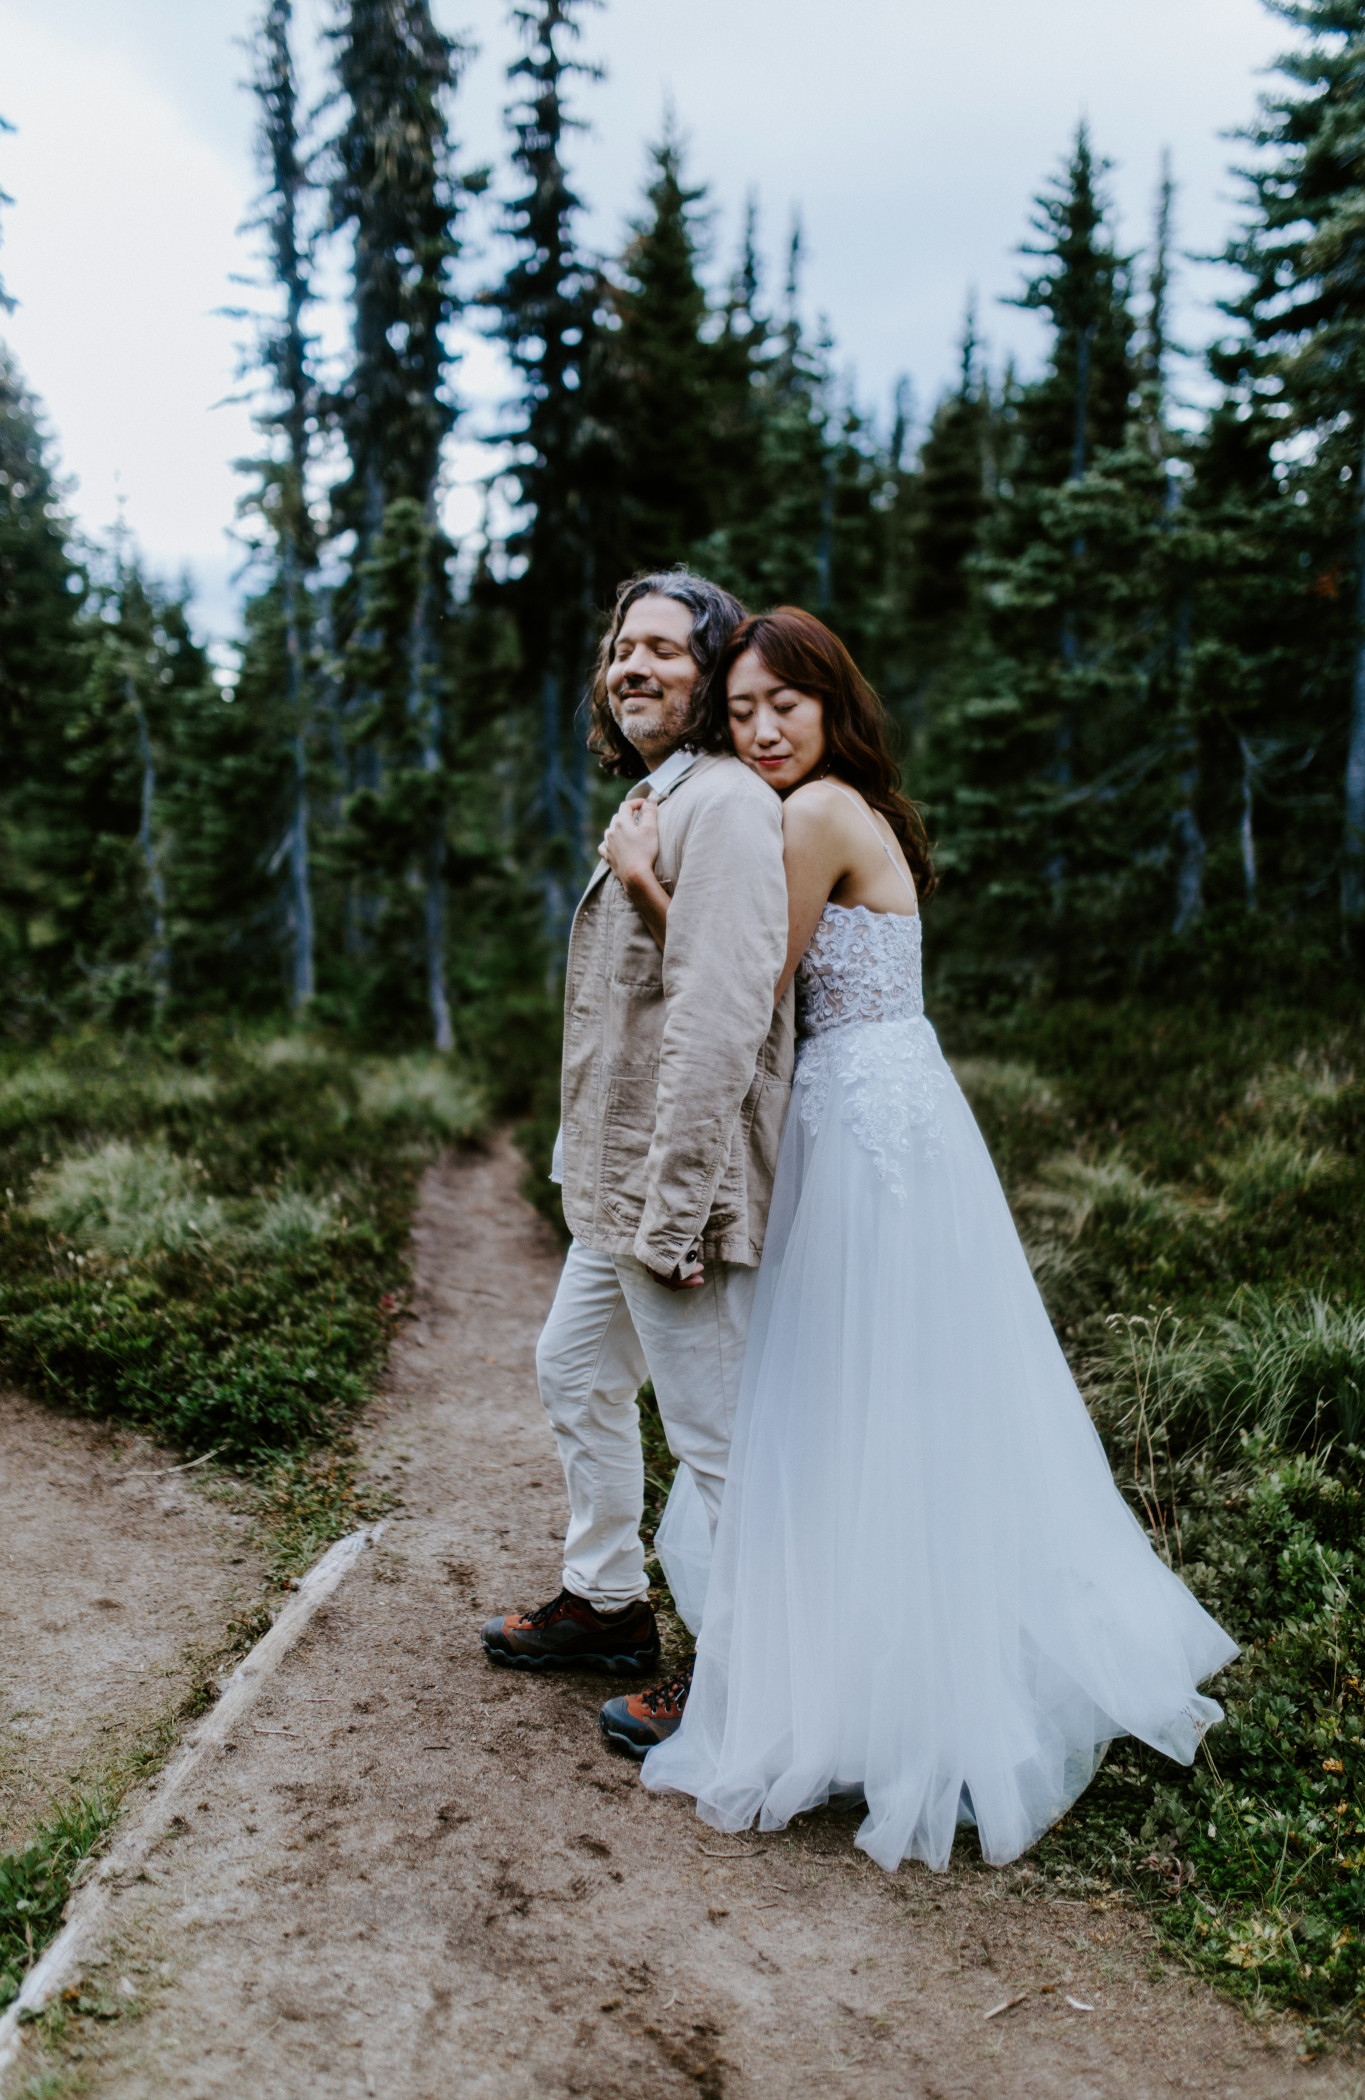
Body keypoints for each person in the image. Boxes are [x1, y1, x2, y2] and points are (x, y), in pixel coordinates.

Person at [596, 606, 1237, 1872]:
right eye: (738, 714)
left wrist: (639, 878)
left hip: (860, 1125)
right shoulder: (835, 810)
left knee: (846, 1404)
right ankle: (864, 1666)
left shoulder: (818, 813)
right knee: (882, 1409)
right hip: (878, 1110)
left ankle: (856, 1691)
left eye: (786, 703)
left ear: (834, 707)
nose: (763, 729)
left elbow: (746, 979)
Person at [480, 572, 794, 1752]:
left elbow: (723, 1020)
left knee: (715, 1446)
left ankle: (743, 1681)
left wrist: (675, 1214)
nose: (632, 666)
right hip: (617, 1191)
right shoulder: (665, 800)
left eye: (665, 648)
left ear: (712, 675)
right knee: (574, 1372)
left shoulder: (721, 804)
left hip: (677, 1198)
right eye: (621, 647)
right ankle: (607, 1607)